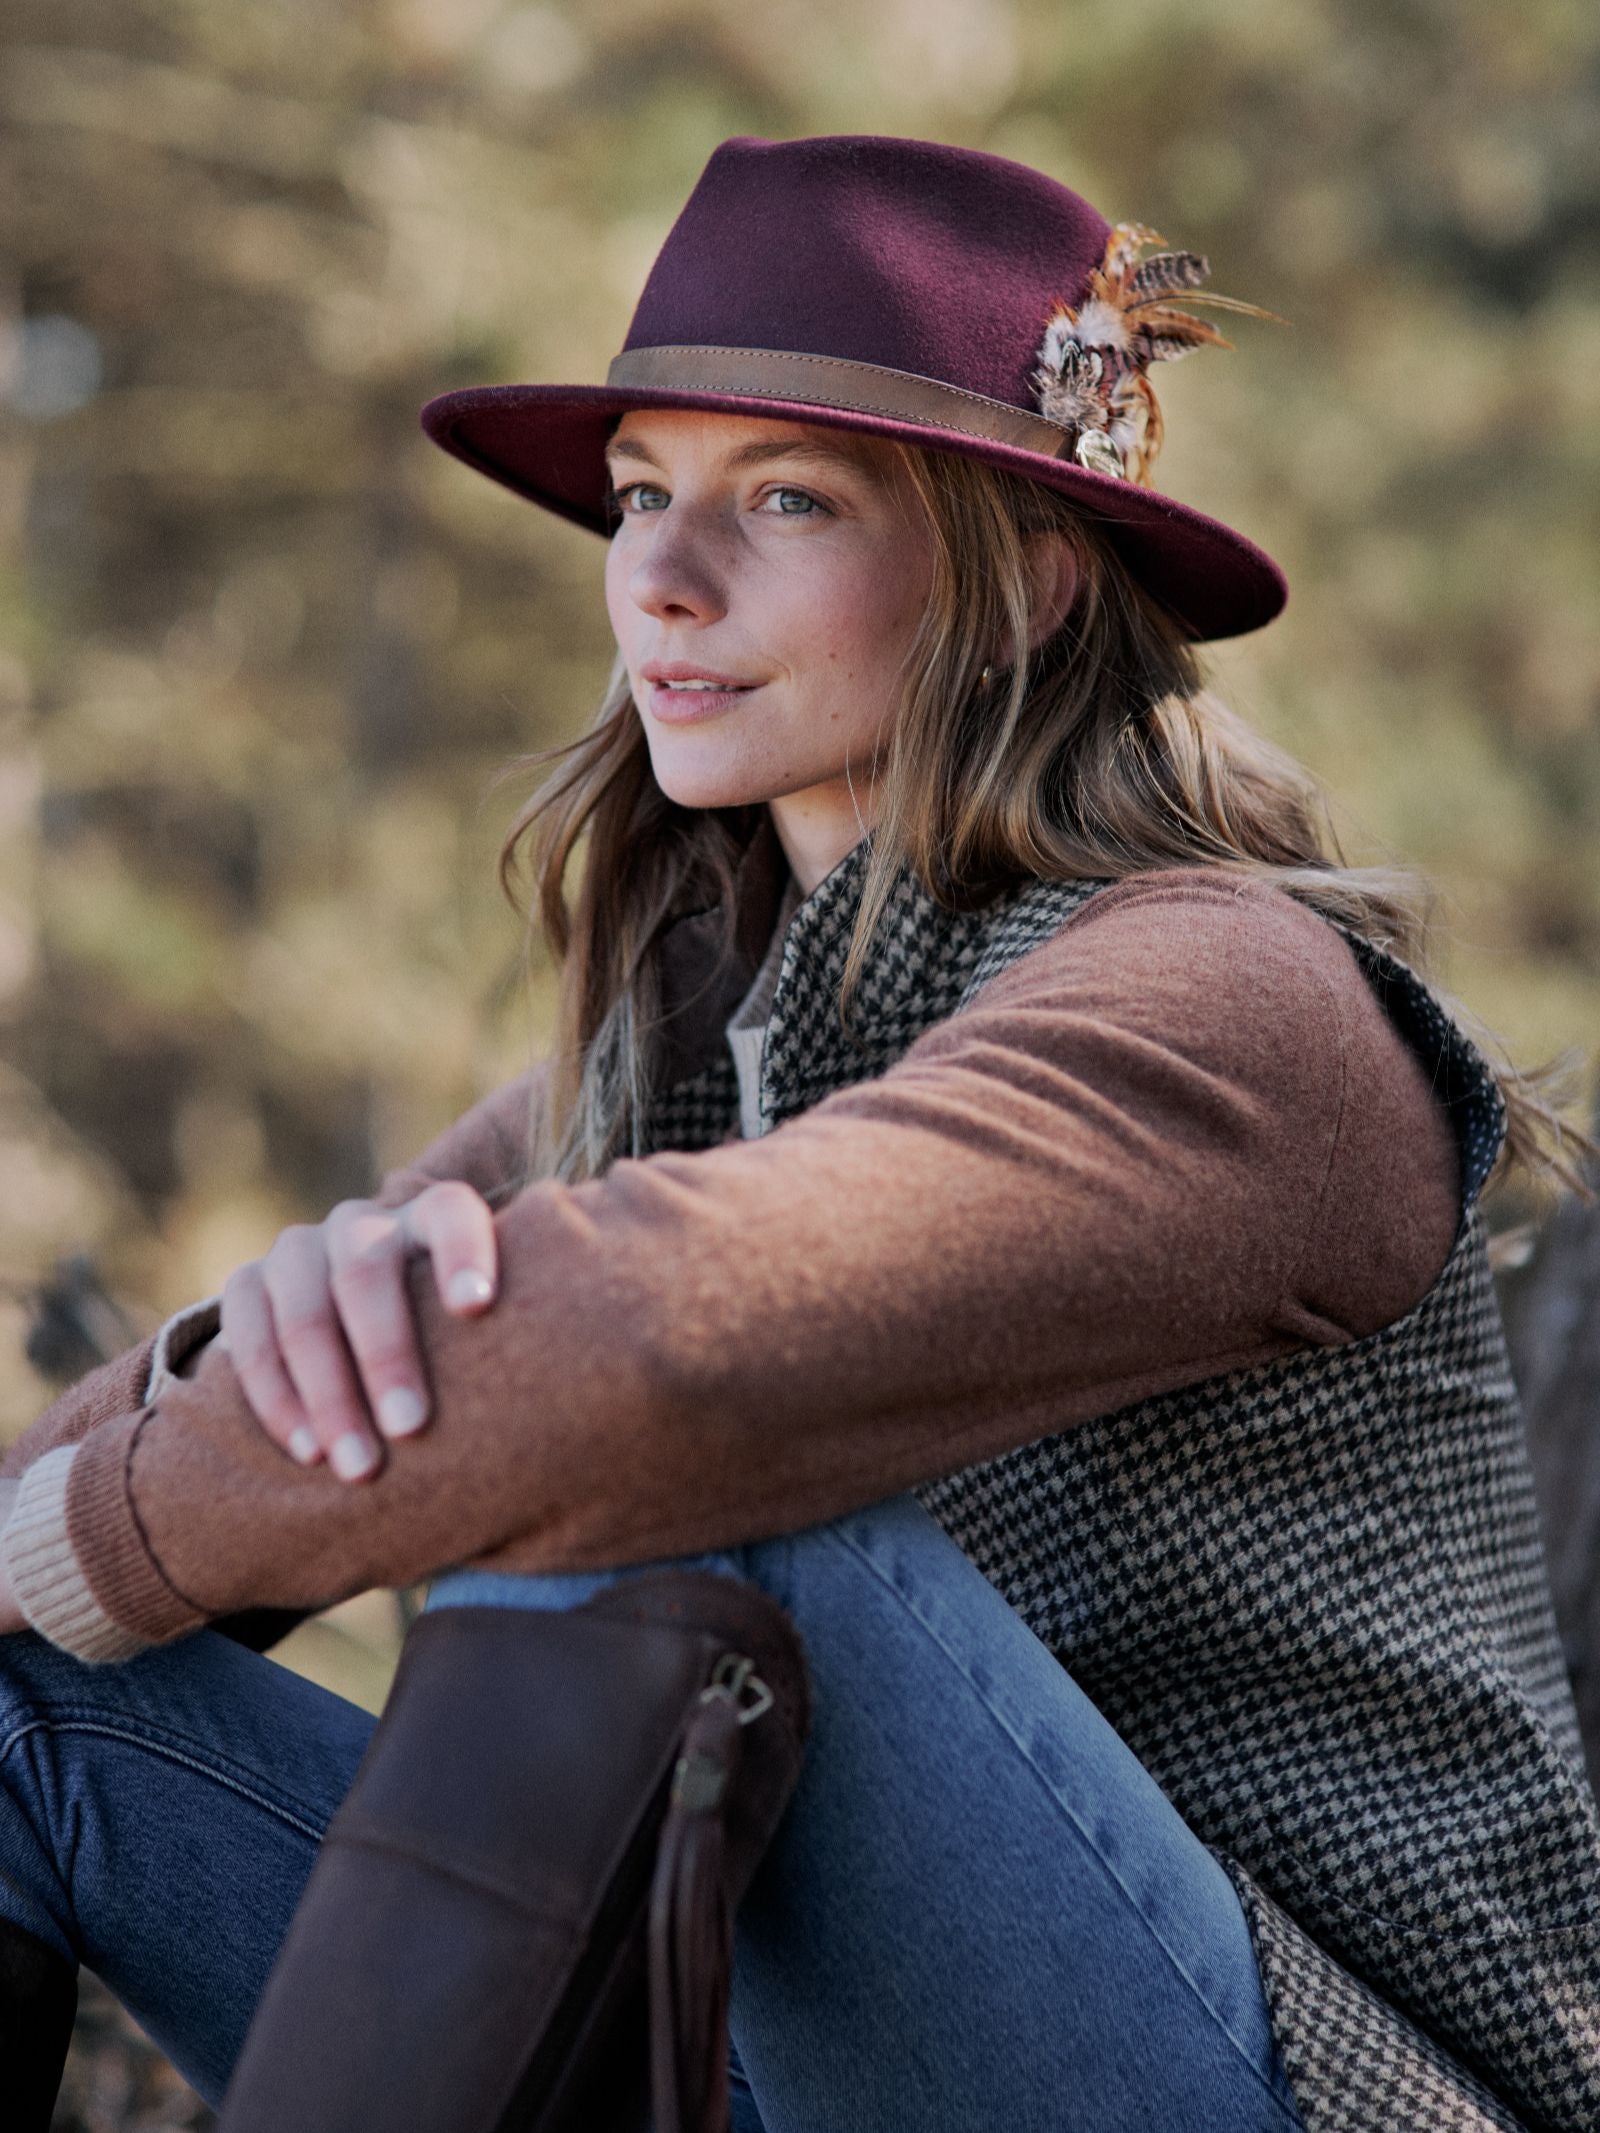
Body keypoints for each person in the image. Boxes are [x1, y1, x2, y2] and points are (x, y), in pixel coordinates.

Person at [0, 131, 1595, 2133]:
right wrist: (241, 1338)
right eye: (641, 494)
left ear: (1020, 580)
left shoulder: (1229, 1007)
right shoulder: (687, 1021)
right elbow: (104, 1510)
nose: (660, 575)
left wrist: (165, 1484)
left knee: (673, 1488)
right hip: (792, 2053)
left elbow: (636, 1360)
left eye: (784, 498)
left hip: (1293, 2083)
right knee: (21, 1717)